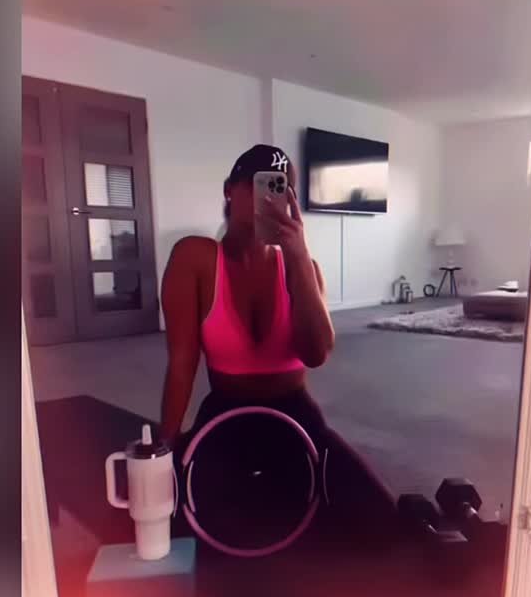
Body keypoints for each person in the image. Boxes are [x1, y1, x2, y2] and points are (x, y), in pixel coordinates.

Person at [160, 144, 399, 550]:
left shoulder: (304, 267)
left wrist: (298, 256)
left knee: (381, 521)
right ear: (229, 190)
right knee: (183, 527)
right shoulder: (195, 257)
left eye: (280, 189)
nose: (268, 200)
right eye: (257, 185)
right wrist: (165, 447)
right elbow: (182, 362)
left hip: (296, 415)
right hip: (224, 415)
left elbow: (316, 354)